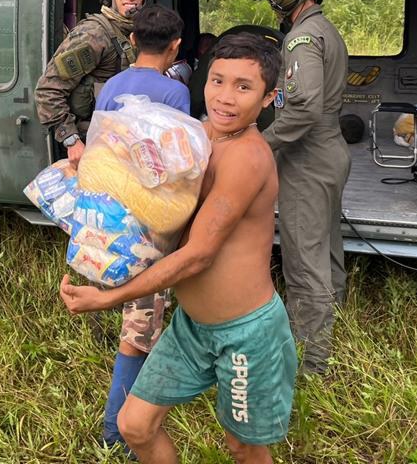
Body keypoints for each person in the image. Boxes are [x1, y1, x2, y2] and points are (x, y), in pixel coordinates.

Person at [61, 34, 296, 464]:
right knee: (135, 425)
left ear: (268, 98)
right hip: (192, 327)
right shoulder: (198, 136)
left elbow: (198, 254)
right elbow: (138, 176)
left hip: (245, 333)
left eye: (244, 87)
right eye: (218, 81)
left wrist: (109, 298)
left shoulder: (248, 157)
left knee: (243, 447)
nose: (225, 97)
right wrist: (85, 171)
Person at [93, 4, 190, 449]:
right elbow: (177, 166)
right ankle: (117, 434)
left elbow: (98, 148)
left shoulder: (111, 85)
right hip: (154, 216)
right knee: (141, 323)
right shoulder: (175, 93)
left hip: (115, 212)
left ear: (132, 41)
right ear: (175, 47)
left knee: (135, 304)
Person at [248, 0, 350, 375]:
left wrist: (261, 143)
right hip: (329, 150)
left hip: (308, 156)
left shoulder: (301, 39)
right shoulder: (323, 29)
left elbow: (303, 108)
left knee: (304, 261)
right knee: (326, 248)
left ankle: (311, 361)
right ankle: (336, 328)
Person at [34, 0, 152, 167]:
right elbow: (48, 91)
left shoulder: (139, 32)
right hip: (93, 142)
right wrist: (71, 140)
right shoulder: (94, 35)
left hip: (125, 140)